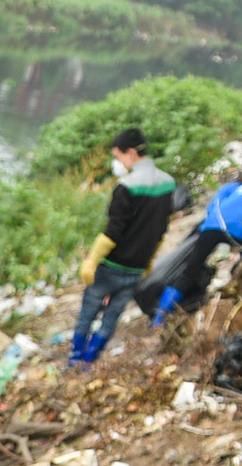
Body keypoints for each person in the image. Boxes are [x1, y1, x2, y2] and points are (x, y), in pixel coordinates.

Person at [69, 128, 175, 367]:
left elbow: (113, 231)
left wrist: (92, 261)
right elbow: (161, 229)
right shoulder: (168, 183)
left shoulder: (125, 186)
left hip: (111, 267)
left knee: (88, 314)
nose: (117, 163)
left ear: (130, 153)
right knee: (110, 319)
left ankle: (74, 362)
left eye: (117, 157)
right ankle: (89, 363)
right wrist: (148, 261)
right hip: (136, 269)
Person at [151, 170, 242, 323]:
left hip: (213, 226)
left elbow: (212, 207)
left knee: (189, 273)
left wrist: (210, 225)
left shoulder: (230, 188)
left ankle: (159, 318)